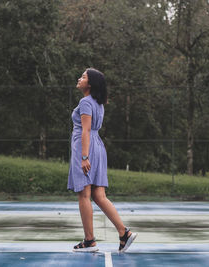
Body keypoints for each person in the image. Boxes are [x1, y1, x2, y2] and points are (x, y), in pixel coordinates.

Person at [68, 67, 137, 253]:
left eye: (83, 77)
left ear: (90, 84)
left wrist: (84, 157)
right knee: (99, 196)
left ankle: (89, 241)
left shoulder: (85, 102)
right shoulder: (99, 103)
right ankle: (124, 233)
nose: (79, 78)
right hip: (98, 146)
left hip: (86, 147)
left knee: (84, 195)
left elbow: (85, 130)